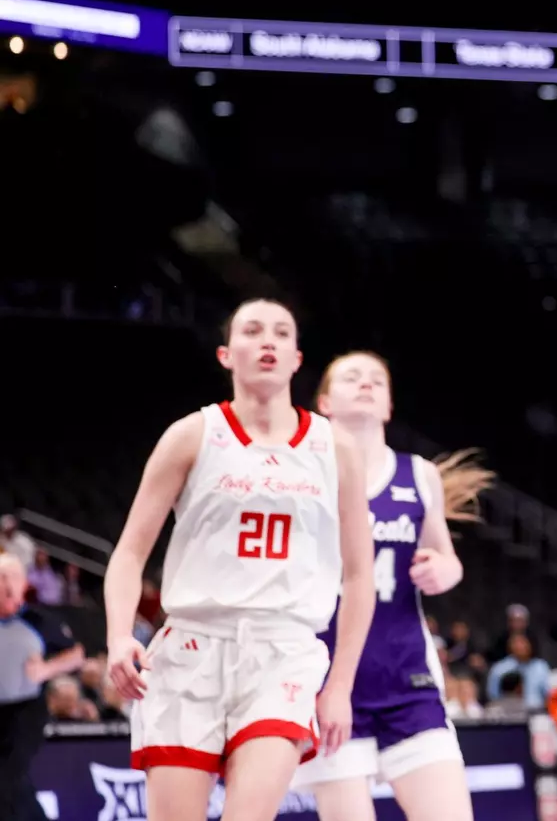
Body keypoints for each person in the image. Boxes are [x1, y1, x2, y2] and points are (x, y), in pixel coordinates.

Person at [104, 298, 375, 821]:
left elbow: (360, 577)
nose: (268, 340)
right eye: (253, 331)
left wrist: (339, 686)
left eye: (281, 333)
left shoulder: (334, 447)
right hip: (191, 650)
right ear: (227, 354)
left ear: (297, 358)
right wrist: (120, 635)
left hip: (284, 652)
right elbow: (130, 553)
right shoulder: (191, 435)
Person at [290, 351, 495, 821]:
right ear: (324, 401)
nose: (365, 384)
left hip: (407, 678)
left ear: (388, 406)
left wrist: (446, 569)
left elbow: (446, 555)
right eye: (351, 377)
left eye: (376, 380)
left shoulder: (419, 473)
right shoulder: (303, 474)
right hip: (327, 681)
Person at [0, 553, 85, 821]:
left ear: (23, 583)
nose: (4, 583)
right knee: (13, 784)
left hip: (25, 710)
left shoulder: (38, 620)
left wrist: (46, 669)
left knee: (7, 776)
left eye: (9, 577)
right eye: (0, 577)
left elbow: (76, 654)